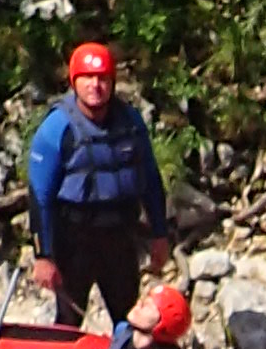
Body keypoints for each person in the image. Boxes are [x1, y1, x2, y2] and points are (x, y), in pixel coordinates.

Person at [25, 41, 172, 328]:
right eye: (87, 78)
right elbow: (39, 197)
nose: (96, 85)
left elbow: (151, 180)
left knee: (129, 318)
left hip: (120, 238)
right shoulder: (57, 127)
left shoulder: (130, 122)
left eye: (103, 78)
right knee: (68, 321)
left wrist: (159, 233)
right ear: (73, 81)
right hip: (74, 240)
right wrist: (44, 256)